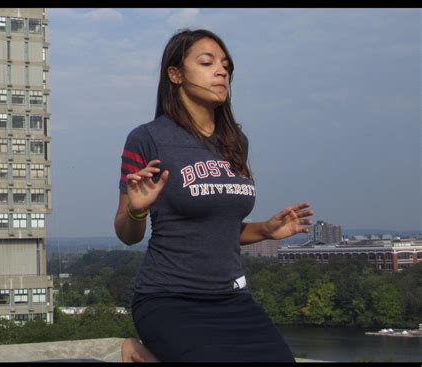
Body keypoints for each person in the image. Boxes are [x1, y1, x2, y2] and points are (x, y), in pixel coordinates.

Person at [115, 28, 315, 363]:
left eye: (225, 65)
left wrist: (266, 230)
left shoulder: (235, 141)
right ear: (175, 74)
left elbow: (219, 229)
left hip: (230, 297)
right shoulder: (147, 139)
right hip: (168, 297)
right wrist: (137, 210)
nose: (221, 71)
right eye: (207, 63)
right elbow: (126, 234)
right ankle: (139, 353)